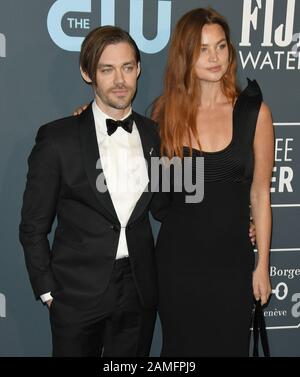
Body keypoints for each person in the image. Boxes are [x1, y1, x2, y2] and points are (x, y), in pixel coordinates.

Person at [19, 26, 164, 357]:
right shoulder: (58, 139)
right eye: (107, 69)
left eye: (127, 67)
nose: (120, 80)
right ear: (88, 73)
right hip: (76, 292)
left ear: (138, 69)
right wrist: (48, 292)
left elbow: (174, 201)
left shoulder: (156, 135)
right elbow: (33, 225)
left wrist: (240, 219)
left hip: (139, 289)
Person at [151, 7, 273, 357]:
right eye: (203, 49)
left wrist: (261, 265)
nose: (214, 57)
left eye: (220, 46)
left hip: (231, 264)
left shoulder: (253, 112)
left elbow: (260, 193)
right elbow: (163, 200)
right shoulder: (164, 114)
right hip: (177, 264)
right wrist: (86, 114)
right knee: (179, 352)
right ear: (185, 55)